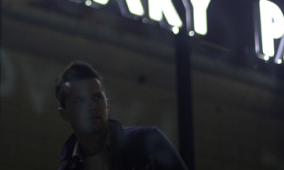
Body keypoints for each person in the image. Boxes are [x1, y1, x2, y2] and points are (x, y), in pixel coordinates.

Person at [55, 61, 189, 170]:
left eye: (97, 97)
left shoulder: (147, 142)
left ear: (107, 104)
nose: (92, 106)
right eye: (80, 101)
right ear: (64, 114)